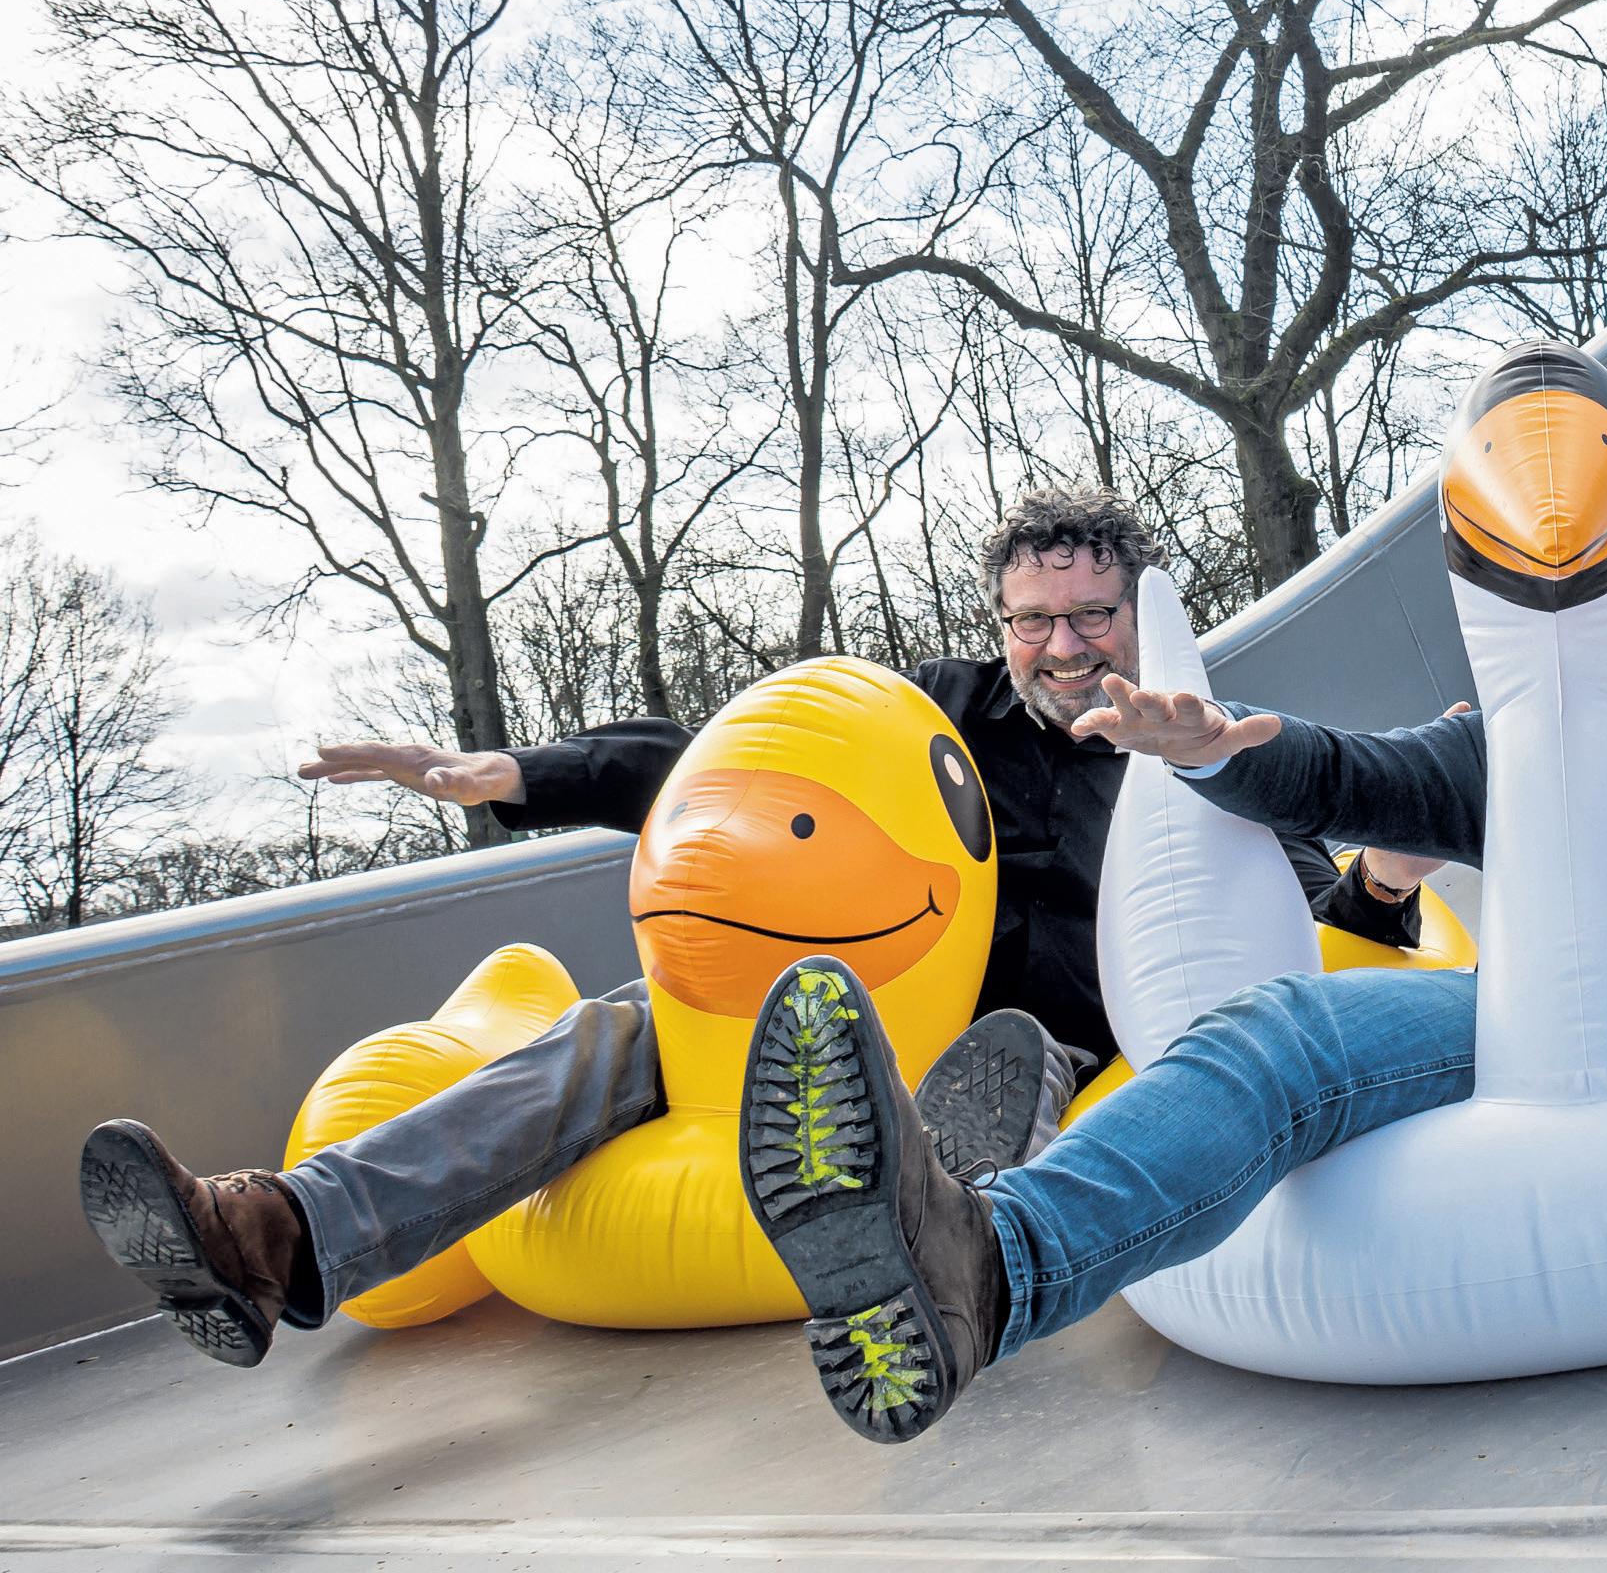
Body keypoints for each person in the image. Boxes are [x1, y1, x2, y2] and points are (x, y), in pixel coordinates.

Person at [729, 455, 1607, 1444]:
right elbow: (1350, 775)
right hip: (1520, 998)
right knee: (1276, 1033)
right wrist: (1217, 749)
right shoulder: (1530, 735)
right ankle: (985, 1270)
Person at [79, 485, 1433, 1369]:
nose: (1064, 646)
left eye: (1092, 616)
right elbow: (732, 770)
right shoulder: (940, 710)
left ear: (1143, 615)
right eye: (1034, 622)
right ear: (1000, 624)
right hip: (857, 1005)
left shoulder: (1205, 747)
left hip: (1045, 1041)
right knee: (628, 1025)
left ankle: (937, 1257)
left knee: (1020, 1051)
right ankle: (280, 1235)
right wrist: (517, 776)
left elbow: (1303, 923)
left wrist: (1381, 880)